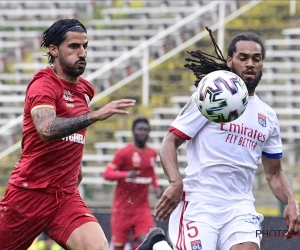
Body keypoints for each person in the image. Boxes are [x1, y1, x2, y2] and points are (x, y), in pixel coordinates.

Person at [151, 27, 300, 250]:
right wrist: (175, 182)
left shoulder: (267, 116)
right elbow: (170, 141)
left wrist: (291, 201)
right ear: (230, 61)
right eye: (243, 57)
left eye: (256, 58)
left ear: (262, 64)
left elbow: (274, 172)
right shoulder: (211, 98)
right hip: (200, 203)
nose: (250, 63)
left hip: (241, 207)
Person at [0, 19, 136, 250]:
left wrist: (76, 169)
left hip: (64, 196)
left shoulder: (85, 89)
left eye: (85, 46)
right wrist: (95, 116)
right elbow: (46, 129)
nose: (82, 53)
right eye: (74, 47)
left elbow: (74, 136)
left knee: (98, 247)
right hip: (29, 193)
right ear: (53, 49)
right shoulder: (43, 85)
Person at [102, 117, 163, 250]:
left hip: (142, 208)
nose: (143, 132)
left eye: (146, 130)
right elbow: (106, 174)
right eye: (140, 129)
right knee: (119, 246)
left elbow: (151, 172)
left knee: (147, 240)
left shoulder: (152, 153)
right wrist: (125, 175)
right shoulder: (124, 153)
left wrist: (157, 187)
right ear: (133, 131)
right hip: (122, 209)